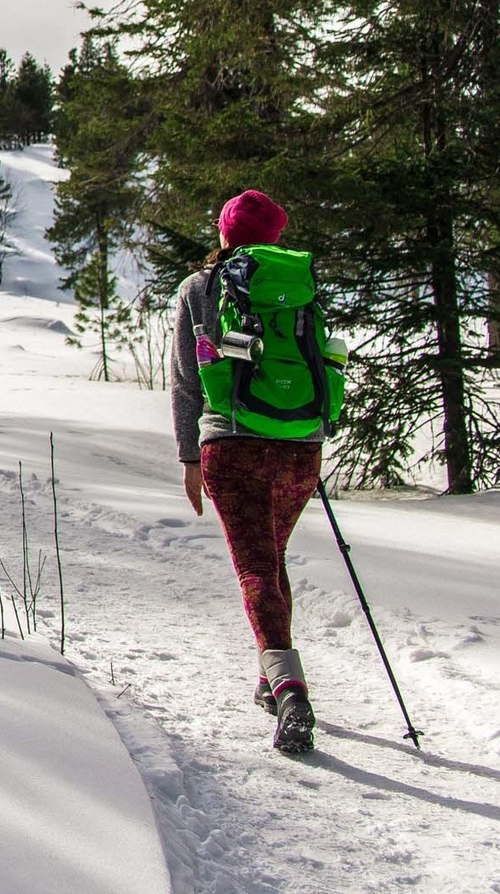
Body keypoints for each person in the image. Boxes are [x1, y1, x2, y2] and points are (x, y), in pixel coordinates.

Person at [173, 188, 323, 755]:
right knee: (271, 556)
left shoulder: (199, 288)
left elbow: (187, 382)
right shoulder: (301, 285)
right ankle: (270, 676)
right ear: (276, 236)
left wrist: (190, 457)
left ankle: (289, 690)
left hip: (232, 444)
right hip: (300, 445)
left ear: (223, 233)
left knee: (255, 565)